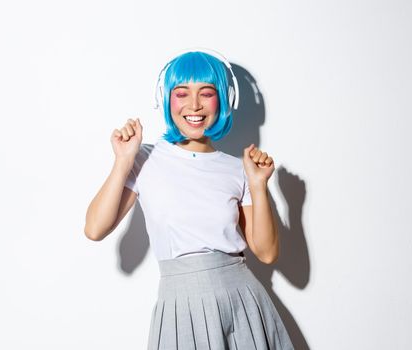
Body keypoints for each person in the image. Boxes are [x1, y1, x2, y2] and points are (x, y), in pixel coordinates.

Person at [84, 50, 294, 350]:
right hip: (181, 306)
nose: (194, 104)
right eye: (182, 93)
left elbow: (267, 252)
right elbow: (95, 228)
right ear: (166, 99)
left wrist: (259, 185)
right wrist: (122, 161)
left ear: (223, 99)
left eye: (206, 93)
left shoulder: (238, 168)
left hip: (243, 302)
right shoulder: (143, 157)